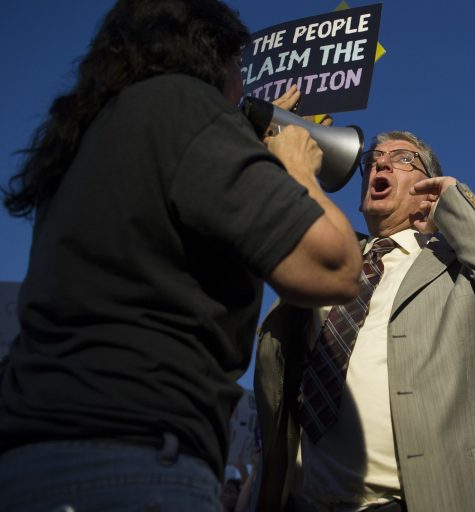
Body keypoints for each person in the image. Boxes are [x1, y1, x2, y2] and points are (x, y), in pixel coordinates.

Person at [0, 0, 362, 510]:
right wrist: (296, 168)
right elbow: (335, 267)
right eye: (238, 68)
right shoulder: (184, 103)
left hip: (34, 460)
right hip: (137, 461)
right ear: (212, 55)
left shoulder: (89, 136)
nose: (240, 90)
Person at [255, 129, 475, 511]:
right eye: (374, 160)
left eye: (403, 159)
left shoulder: (456, 264)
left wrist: (455, 203)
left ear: (428, 185)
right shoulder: (333, 260)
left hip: (418, 501)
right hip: (309, 501)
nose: (380, 163)